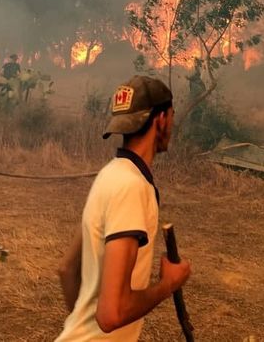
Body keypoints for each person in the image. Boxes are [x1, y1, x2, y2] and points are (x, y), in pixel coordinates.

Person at [56, 76, 191, 341]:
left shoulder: (110, 174)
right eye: (172, 116)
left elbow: (67, 270)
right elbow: (111, 315)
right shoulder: (132, 187)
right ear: (161, 118)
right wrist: (168, 284)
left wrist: (83, 330)